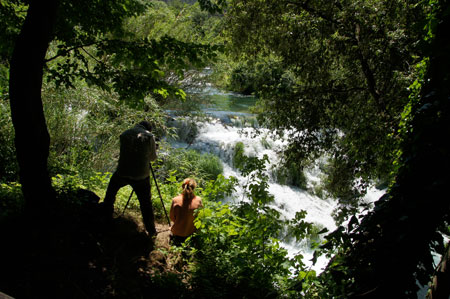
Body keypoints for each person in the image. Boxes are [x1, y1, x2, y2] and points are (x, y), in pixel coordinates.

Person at [103, 120, 158, 236]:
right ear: (148, 129)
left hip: (122, 172)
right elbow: (153, 158)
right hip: (140, 175)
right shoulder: (149, 136)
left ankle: (106, 217)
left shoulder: (125, 134)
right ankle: (151, 230)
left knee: (110, 194)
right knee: (146, 203)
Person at [170, 178, 203, 246]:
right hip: (191, 233)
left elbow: (172, 218)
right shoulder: (199, 200)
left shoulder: (175, 200)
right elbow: (200, 217)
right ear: (194, 188)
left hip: (177, 232)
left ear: (183, 186)